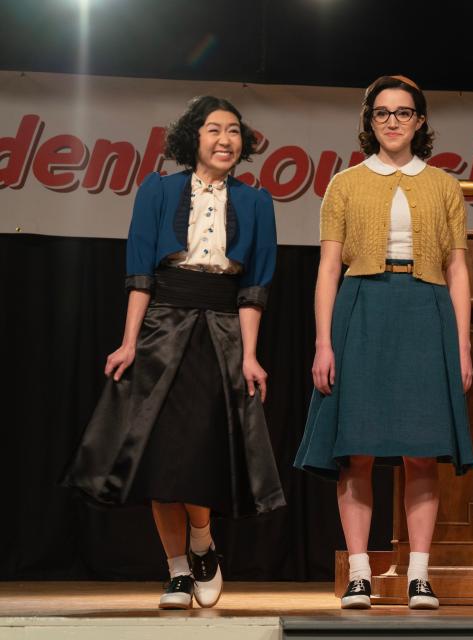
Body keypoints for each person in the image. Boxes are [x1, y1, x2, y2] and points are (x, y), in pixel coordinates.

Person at [63, 96, 284, 609]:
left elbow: (254, 288)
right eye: (213, 129)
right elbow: (141, 274)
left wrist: (250, 355)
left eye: (234, 130)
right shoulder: (157, 191)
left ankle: (203, 544)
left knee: (197, 454)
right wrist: (128, 342)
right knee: (160, 459)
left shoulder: (256, 203)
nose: (225, 139)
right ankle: (178, 571)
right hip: (164, 328)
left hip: (221, 332)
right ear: (193, 138)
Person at [294, 75, 473, 611]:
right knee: (357, 453)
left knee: (422, 454)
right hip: (363, 308)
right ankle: (359, 574)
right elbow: (328, 268)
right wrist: (323, 343)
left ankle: (419, 574)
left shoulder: (443, 185)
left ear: (420, 121)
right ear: (369, 121)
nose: (392, 122)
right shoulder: (346, 183)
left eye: (403, 113)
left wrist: (462, 345)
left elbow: (457, 268)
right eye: (382, 113)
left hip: (425, 310)